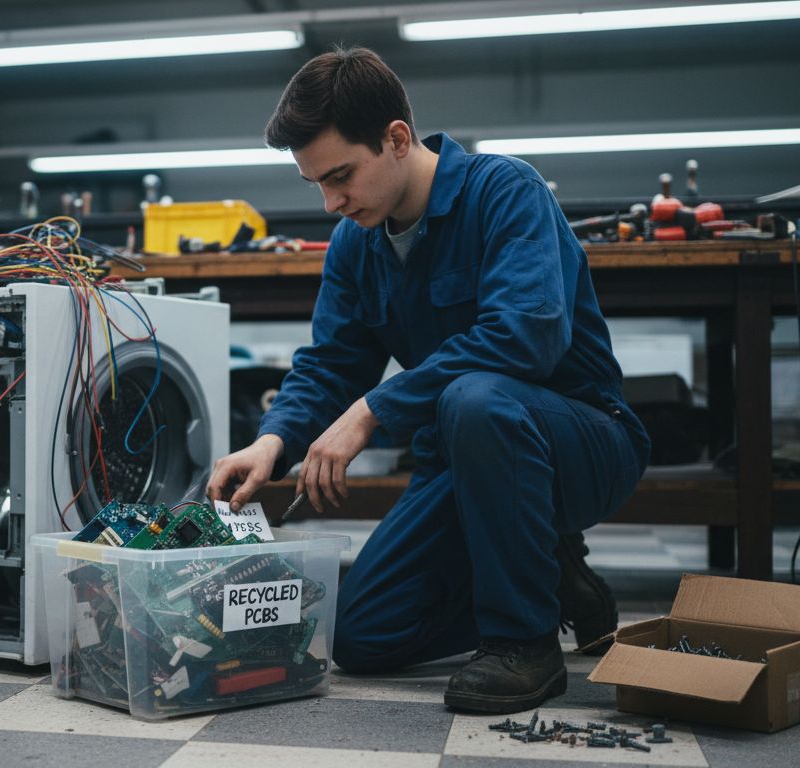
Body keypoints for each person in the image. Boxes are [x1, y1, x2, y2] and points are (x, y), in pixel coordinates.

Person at [207, 47, 651, 714]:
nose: (331, 202)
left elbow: (524, 337)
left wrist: (372, 410)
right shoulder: (358, 245)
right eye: (315, 185)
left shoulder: (507, 193)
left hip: (583, 445)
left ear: (395, 138)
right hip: (465, 456)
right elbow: (331, 361)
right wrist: (273, 441)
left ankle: (524, 644)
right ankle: (548, 577)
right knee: (365, 634)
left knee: (477, 397)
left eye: (341, 176)